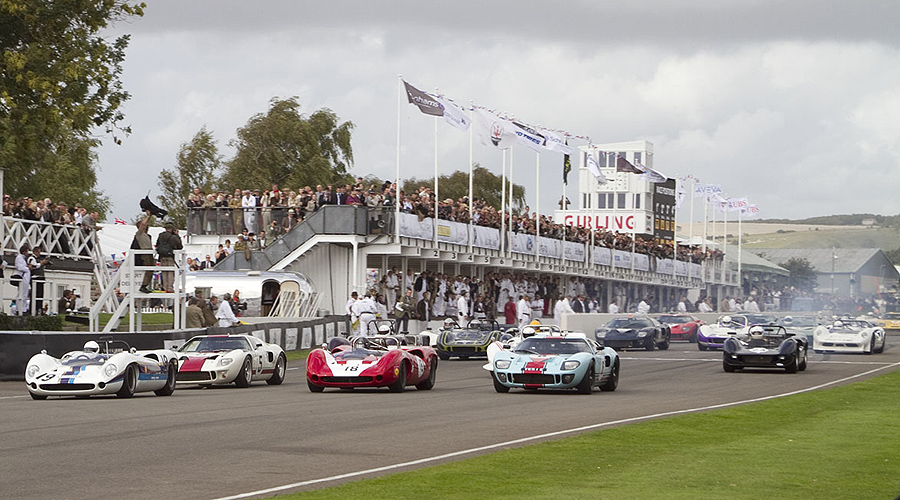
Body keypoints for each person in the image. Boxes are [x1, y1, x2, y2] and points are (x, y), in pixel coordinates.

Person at [156, 221, 183, 292]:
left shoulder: (160, 235)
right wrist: (177, 235)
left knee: (164, 272)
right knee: (170, 272)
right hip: (170, 256)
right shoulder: (173, 237)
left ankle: (164, 287)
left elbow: (157, 244)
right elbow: (180, 246)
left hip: (162, 256)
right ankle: (169, 288)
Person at [132, 214, 154, 293]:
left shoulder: (147, 235)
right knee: (149, 269)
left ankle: (145, 285)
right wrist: (148, 216)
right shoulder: (139, 234)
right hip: (145, 253)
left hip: (149, 253)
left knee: (151, 270)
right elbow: (143, 225)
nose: (146, 226)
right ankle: (143, 286)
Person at [28, 245, 49, 315]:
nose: (39, 254)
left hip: (40, 278)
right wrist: (41, 263)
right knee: (35, 294)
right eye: (38, 252)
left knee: (40, 295)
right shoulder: (31, 258)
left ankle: (39, 309)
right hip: (35, 278)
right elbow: (33, 266)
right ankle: (33, 310)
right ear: (35, 252)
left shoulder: (38, 259)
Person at [14, 244, 31, 315]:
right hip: (22, 278)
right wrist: (28, 268)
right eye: (27, 251)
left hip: (26, 278)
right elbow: (19, 267)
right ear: (24, 251)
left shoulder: (23, 258)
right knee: (21, 294)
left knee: (25, 294)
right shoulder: (19, 258)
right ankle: (19, 309)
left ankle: (23, 309)